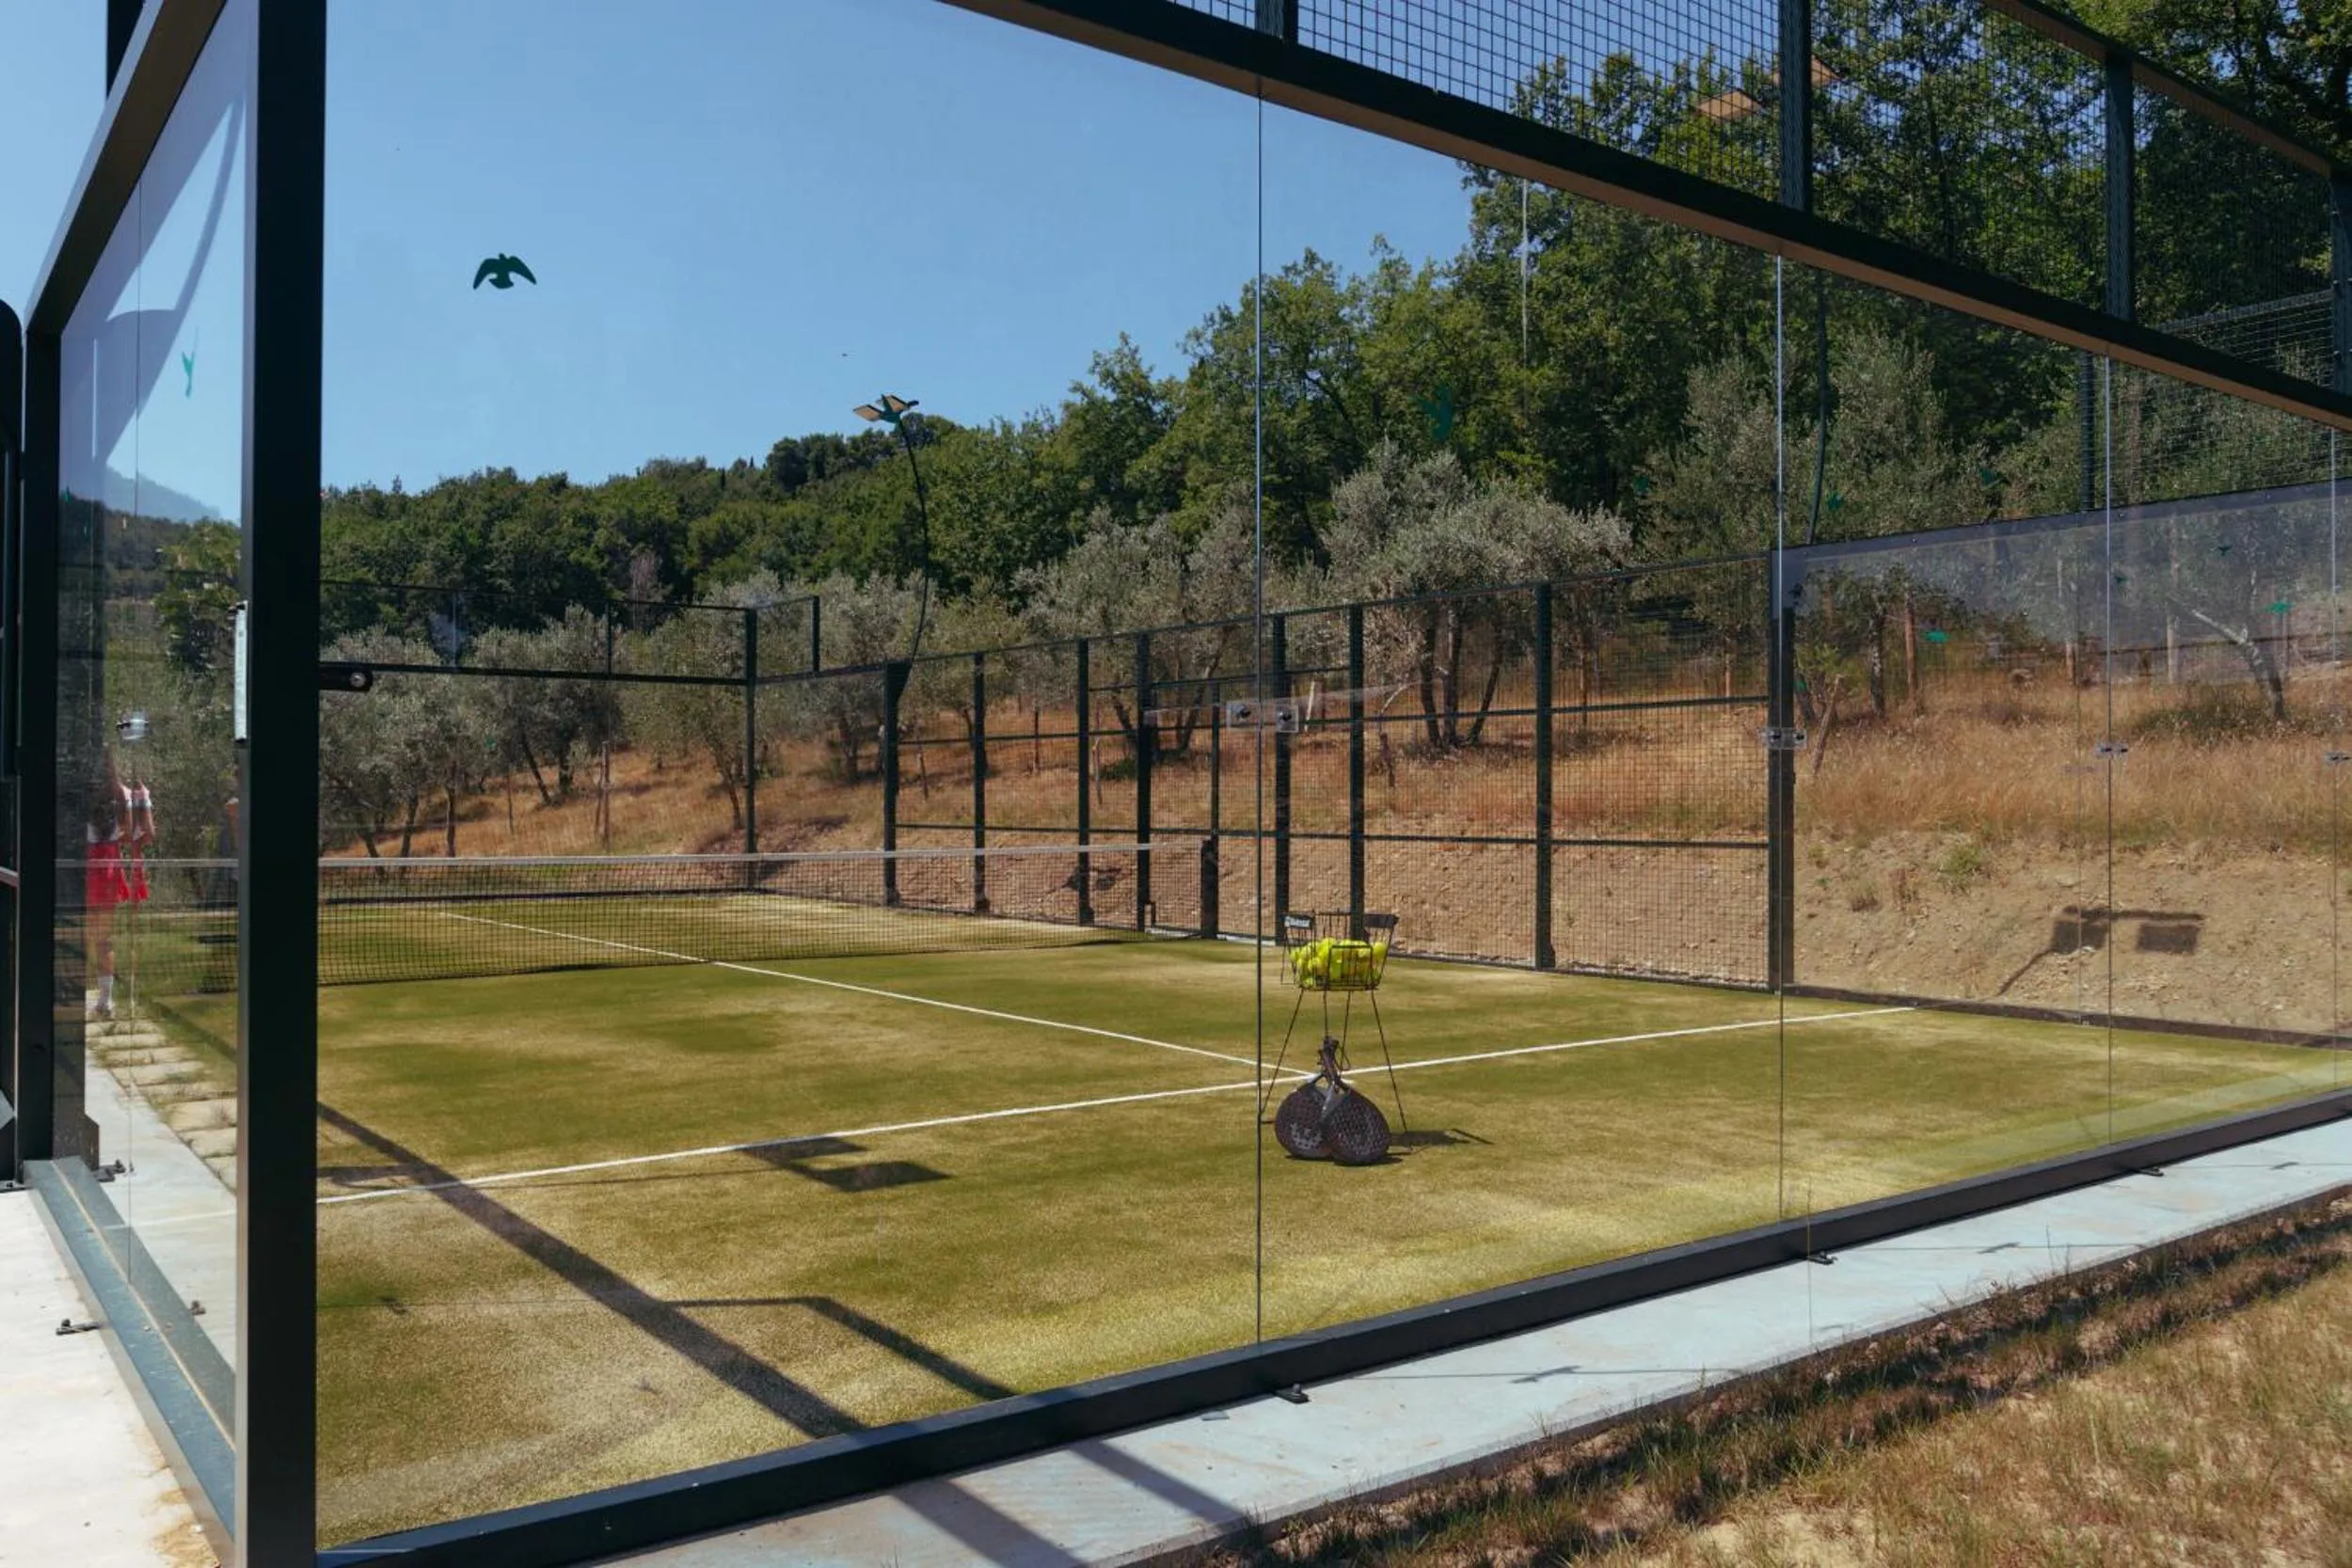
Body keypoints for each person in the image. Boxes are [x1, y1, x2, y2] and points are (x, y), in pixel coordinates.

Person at [85, 753, 153, 1019]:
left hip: (83, 868)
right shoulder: (125, 795)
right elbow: (142, 833)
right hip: (108, 869)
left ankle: (85, 997)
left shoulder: (81, 796)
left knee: (79, 934)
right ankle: (106, 1000)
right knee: (103, 938)